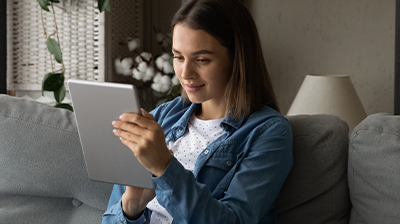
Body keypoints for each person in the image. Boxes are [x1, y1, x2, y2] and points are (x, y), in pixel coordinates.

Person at [102, 0, 293, 223]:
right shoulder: (162, 117)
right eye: (178, 57)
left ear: (237, 59)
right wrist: (132, 206)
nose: (185, 73)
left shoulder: (268, 132)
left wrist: (165, 169)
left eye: (202, 60)